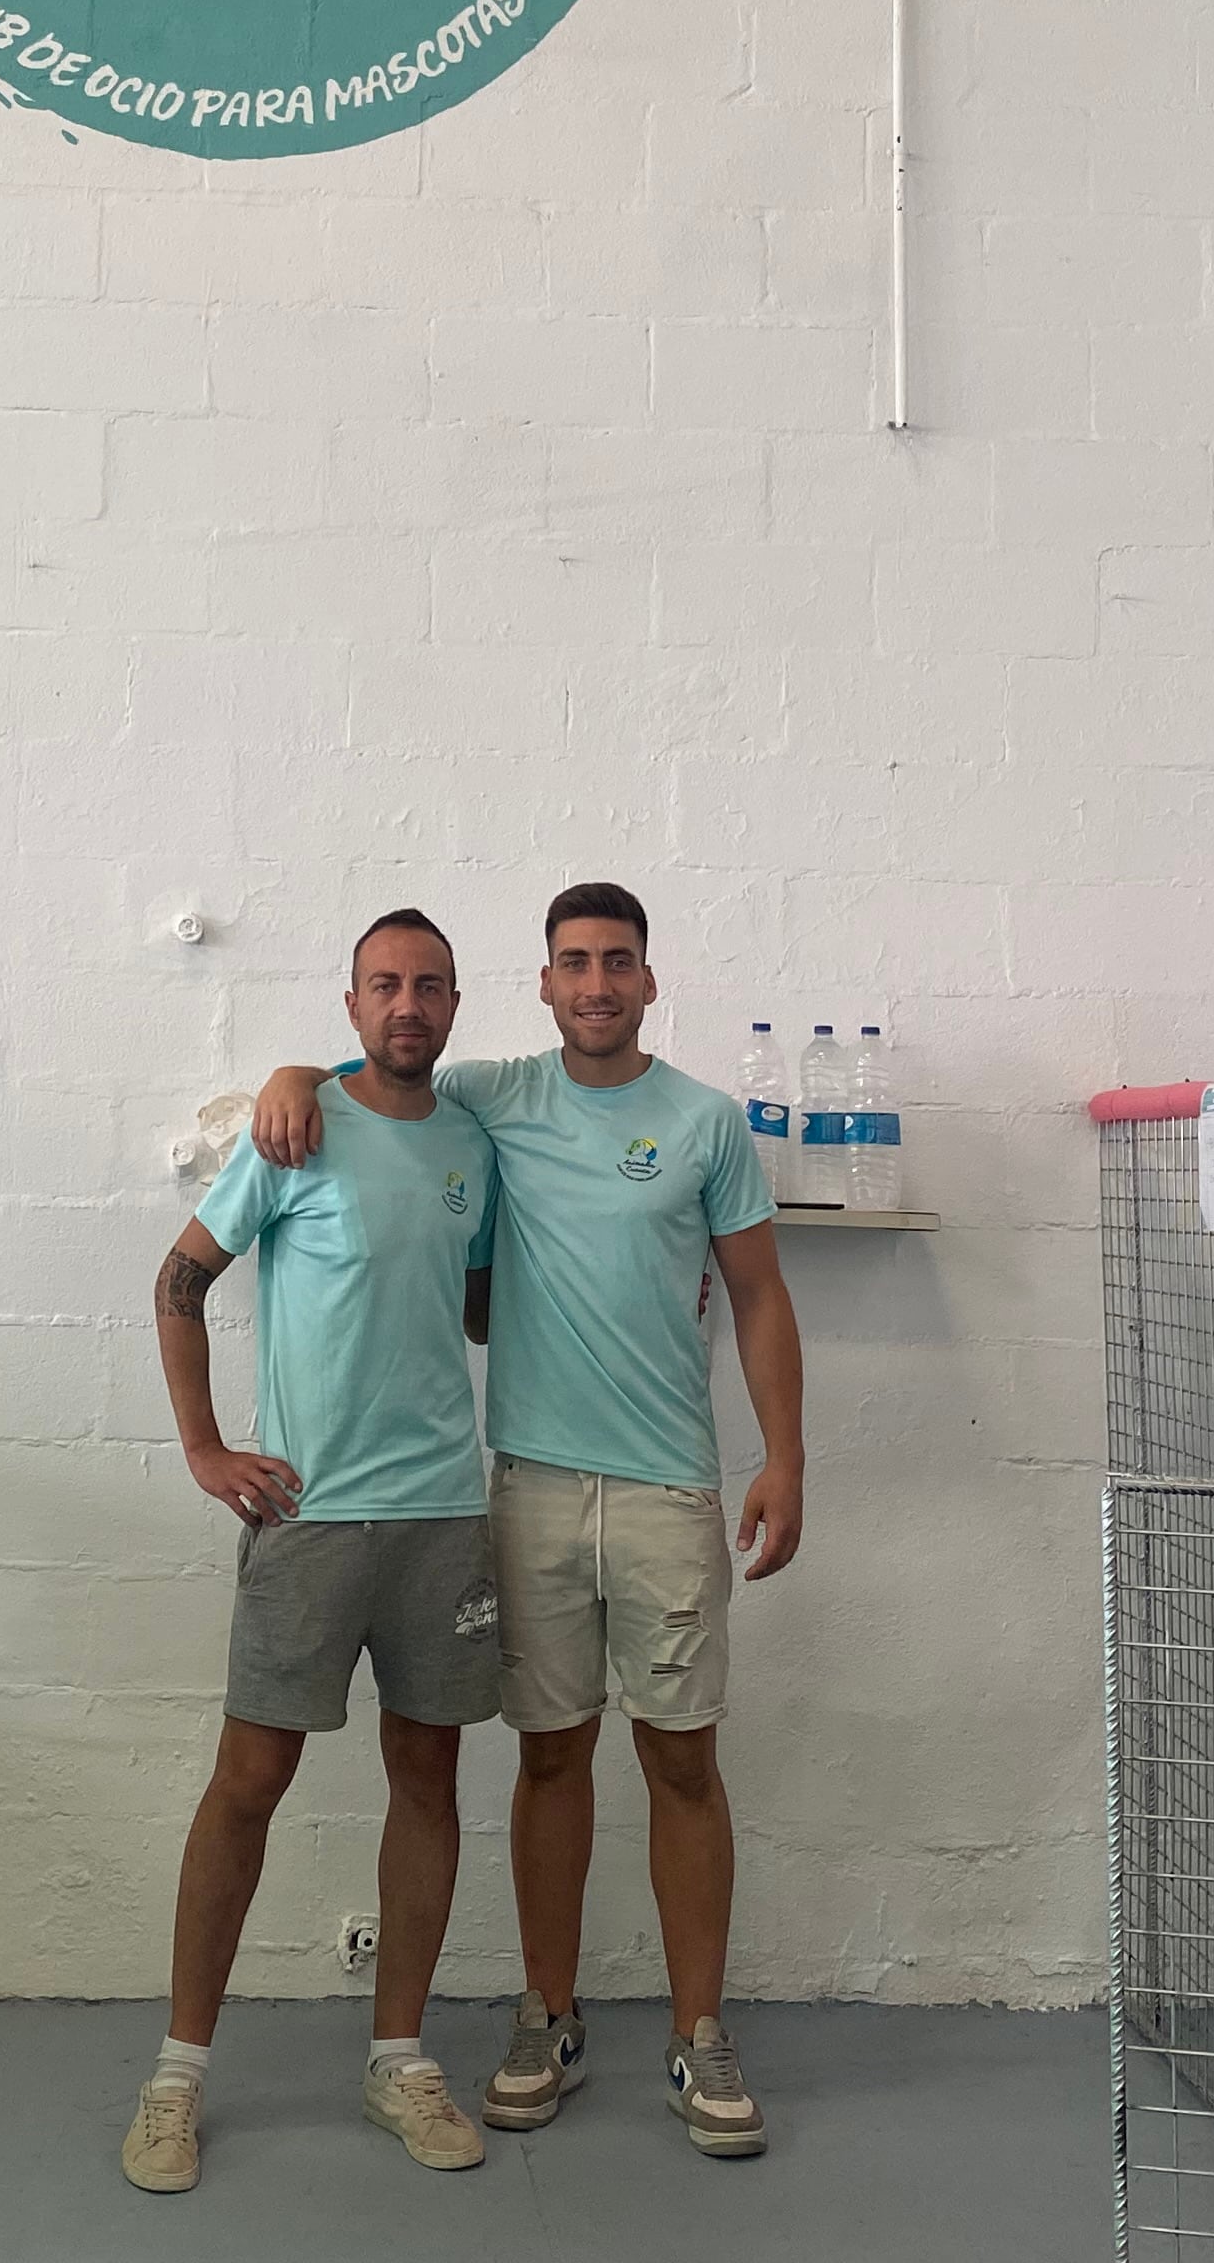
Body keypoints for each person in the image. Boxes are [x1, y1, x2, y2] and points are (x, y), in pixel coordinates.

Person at [252, 880, 805, 2161]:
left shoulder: (709, 1123)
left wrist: (783, 1459)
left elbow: (761, 1298)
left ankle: (701, 2029)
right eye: (573, 964)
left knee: (681, 1761)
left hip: (672, 1488)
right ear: (544, 986)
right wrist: (291, 1066)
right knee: (550, 1756)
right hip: (530, 1487)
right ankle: (546, 2015)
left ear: (650, 983)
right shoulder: (495, 1096)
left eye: (619, 962)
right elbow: (380, 1067)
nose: (598, 984)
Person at [122, 910, 504, 2196]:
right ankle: (176, 2077)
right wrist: (206, 1448)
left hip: (445, 1515)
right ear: (350, 1008)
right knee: (248, 1781)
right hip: (309, 1514)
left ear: (456, 1006)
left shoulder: (471, 1145)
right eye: (385, 986)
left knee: (429, 1779)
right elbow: (181, 1284)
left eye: (430, 987)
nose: (409, 1005)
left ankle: (399, 2058)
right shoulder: (297, 1127)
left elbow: (480, 1303)